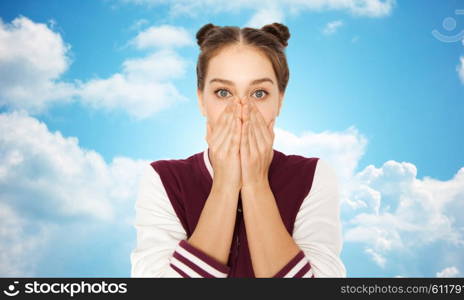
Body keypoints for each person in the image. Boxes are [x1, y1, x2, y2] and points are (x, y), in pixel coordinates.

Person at [130, 22, 346, 278]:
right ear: (201, 100)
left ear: (280, 101)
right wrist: (225, 185)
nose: (242, 110)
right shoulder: (164, 180)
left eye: (258, 93)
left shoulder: (313, 176)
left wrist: (255, 184)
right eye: (223, 92)